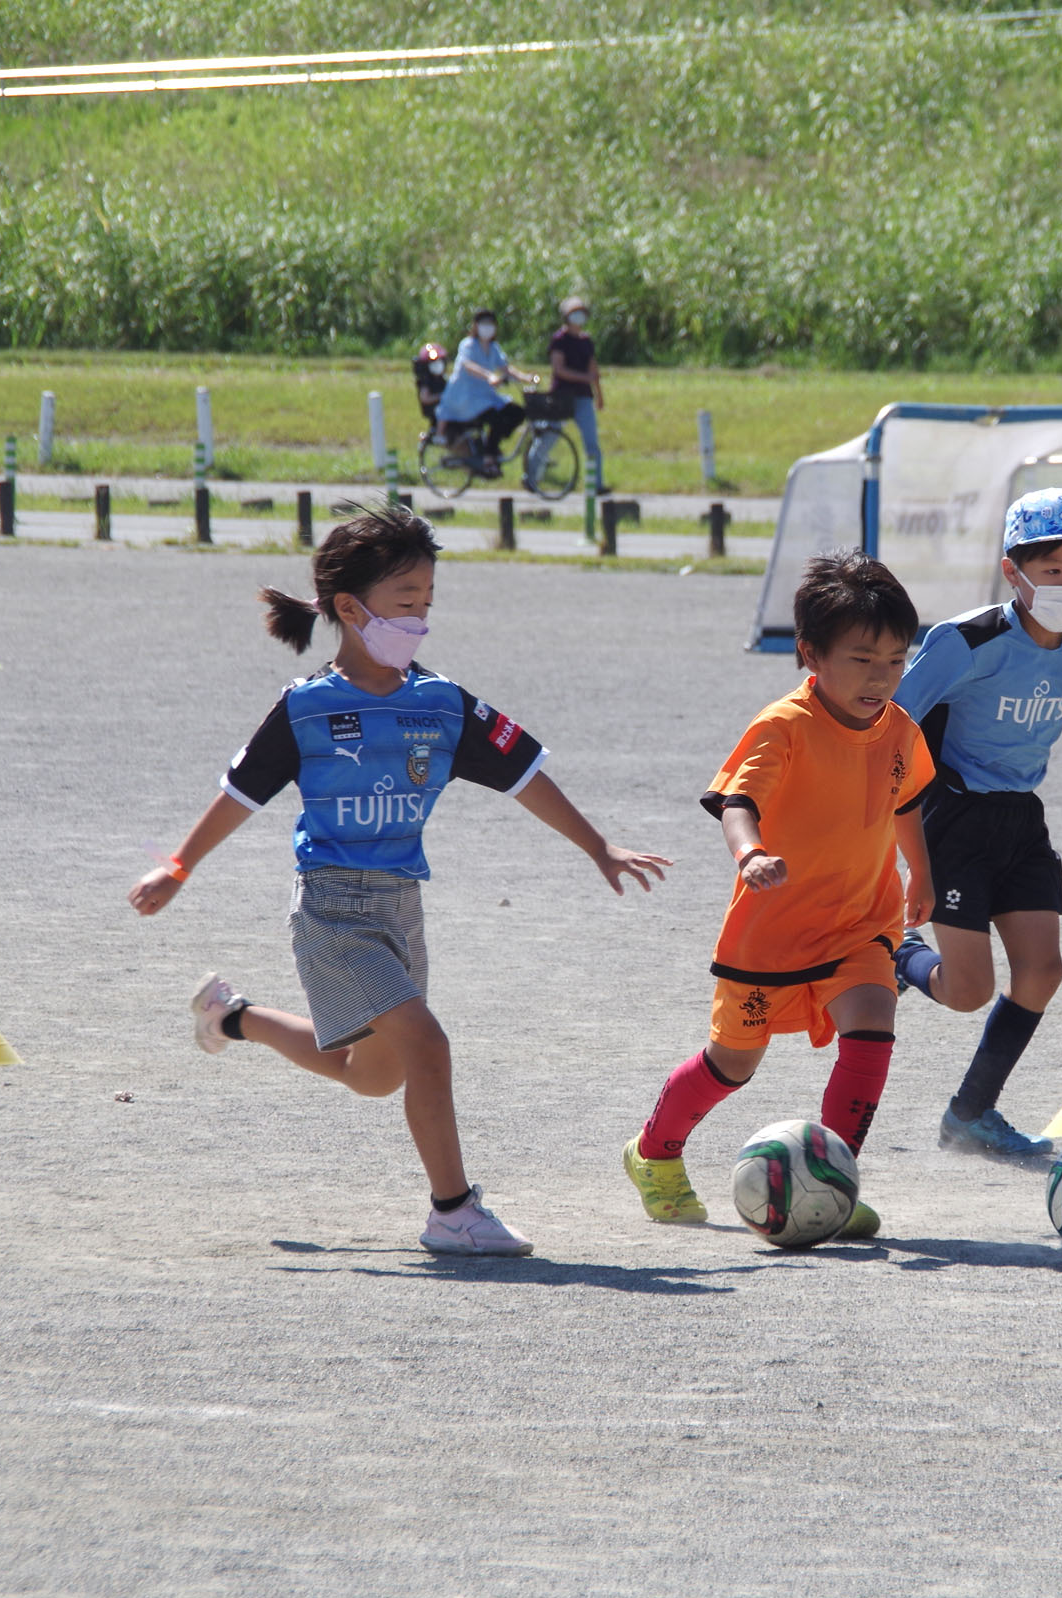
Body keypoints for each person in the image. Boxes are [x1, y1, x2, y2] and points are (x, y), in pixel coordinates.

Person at [128, 501, 670, 1255]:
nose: (419, 618)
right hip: (330, 909)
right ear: (350, 610)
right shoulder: (307, 708)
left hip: (400, 907)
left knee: (371, 1074)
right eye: (404, 602)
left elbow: (526, 777)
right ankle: (453, 1212)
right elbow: (240, 794)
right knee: (429, 1046)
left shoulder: (441, 703)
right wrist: (179, 866)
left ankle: (234, 1017)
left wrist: (599, 847)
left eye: (427, 603)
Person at [621, 552, 935, 1236]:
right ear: (810, 655)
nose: (880, 677)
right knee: (733, 1064)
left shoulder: (903, 731)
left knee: (873, 1030)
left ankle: (834, 1176)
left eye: (894, 660)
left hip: (861, 923)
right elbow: (738, 801)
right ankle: (654, 1152)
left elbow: (904, 802)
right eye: (861, 659)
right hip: (772, 936)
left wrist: (922, 876)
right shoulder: (783, 727)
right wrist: (751, 852)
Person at [889, 488, 1062, 1161]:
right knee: (968, 991)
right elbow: (891, 730)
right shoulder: (964, 640)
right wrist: (891, 833)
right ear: (1014, 572)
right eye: (1052, 571)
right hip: (953, 816)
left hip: (1020, 819)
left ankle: (971, 1114)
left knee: (1042, 971)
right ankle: (897, 954)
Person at [436, 309, 534, 472]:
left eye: (490, 324)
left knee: (517, 412)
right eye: (483, 324)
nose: (487, 328)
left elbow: (505, 369)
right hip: (465, 398)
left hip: (485, 396)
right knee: (496, 419)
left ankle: (492, 445)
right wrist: (489, 376)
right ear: (475, 326)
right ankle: (489, 456)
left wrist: (526, 377)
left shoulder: (494, 347)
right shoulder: (468, 345)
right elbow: (467, 365)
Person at [547, 294, 604, 495]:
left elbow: (593, 371)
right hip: (562, 395)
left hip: (583, 397)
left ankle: (596, 484)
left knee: (591, 443)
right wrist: (584, 378)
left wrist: (599, 394)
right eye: (574, 313)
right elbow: (559, 369)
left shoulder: (586, 341)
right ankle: (531, 476)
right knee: (550, 436)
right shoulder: (559, 340)